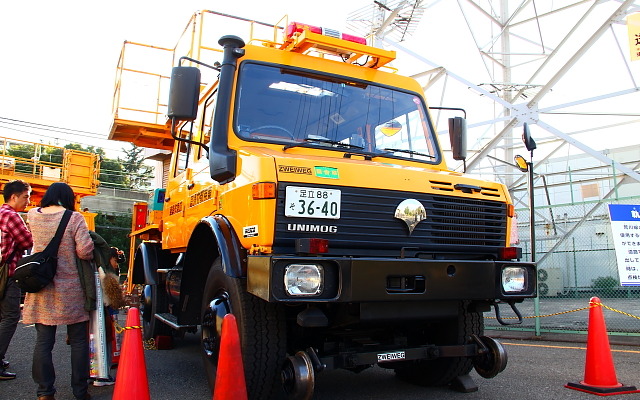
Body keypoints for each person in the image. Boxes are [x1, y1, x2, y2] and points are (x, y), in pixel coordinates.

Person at [22, 182, 94, 400]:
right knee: (79, 341)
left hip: (41, 284)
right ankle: (80, 392)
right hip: (70, 288)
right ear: (68, 197)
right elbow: (84, 251)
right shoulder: (74, 218)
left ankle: (44, 392)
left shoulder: (33, 215)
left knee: (44, 342)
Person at [0, 180, 33, 380]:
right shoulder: (12, 216)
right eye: (25, 196)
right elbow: (28, 241)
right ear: (14, 197)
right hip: (8, 274)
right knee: (11, 317)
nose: (28, 201)